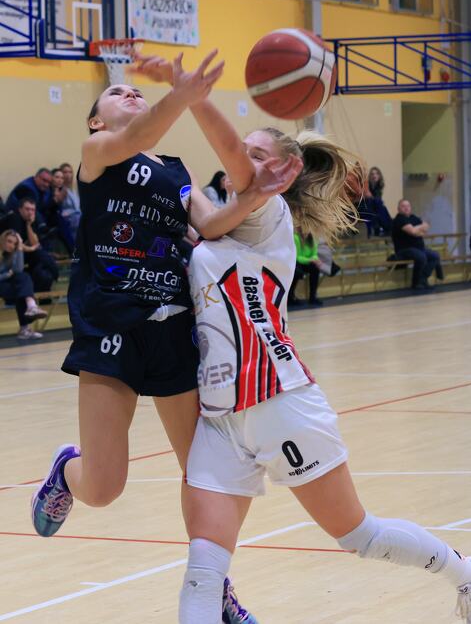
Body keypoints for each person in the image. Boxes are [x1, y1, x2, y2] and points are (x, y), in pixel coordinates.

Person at [155, 87, 471, 624]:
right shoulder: (218, 219)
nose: (243, 160)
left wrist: (195, 98)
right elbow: (189, 202)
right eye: (244, 151)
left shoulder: (269, 213)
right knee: (203, 572)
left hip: (279, 400)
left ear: (284, 174)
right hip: (220, 419)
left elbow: (226, 173)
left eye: (257, 154)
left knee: (358, 534)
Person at [29, 50, 298, 624]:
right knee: (104, 488)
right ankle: (66, 471)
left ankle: (212, 584)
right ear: (96, 121)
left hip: (174, 326)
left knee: (203, 473)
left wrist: (258, 194)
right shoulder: (98, 153)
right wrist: (185, 95)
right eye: (116, 93)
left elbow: (211, 223)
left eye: (136, 91)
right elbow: (142, 133)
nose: (130, 93)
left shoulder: (176, 170)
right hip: (111, 323)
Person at [0, 197, 59, 292]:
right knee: (39, 254)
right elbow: (15, 245)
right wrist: (31, 249)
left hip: (19, 255)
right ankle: (56, 272)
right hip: (5, 256)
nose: (30, 212)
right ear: (20, 210)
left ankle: (42, 292)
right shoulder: (14, 218)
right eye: (27, 209)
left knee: (42, 271)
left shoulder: (30, 220)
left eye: (33, 210)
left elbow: (34, 243)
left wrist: (28, 225)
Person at [0, 229, 48, 340]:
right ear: (2, 240)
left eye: (15, 243)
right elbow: (9, 274)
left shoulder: (11, 255)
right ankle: (26, 323)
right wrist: (7, 275)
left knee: (23, 280)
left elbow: (18, 270)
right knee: (22, 289)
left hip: (6, 286)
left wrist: (20, 247)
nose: (12, 245)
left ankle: (31, 307)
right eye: (9, 241)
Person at [391, 199, 444, 290]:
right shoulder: (399, 219)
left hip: (419, 248)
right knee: (421, 257)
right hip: (404, 249)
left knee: (435, 256)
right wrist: (418, 229)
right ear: (398, 209)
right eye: (403, 206)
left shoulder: (413, 217)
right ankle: (416, 282)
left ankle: (423, 278)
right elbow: (413, 231)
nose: (406, 208)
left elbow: (425, 228)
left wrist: (417, 230)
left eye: (408, 206)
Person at [288, 229, 323, 307]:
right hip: (297, 263)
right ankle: (290, 297)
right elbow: (297, 257)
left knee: (315, 269)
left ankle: (313, 297)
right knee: (296, 272)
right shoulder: (296, 238)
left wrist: (316, 260)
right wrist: (310, 260)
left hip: (307, 263)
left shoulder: (313, 238)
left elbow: (314, 254)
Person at [59, 162, 81, 241]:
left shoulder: (73, 190)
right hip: (68, 220)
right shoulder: (60, 190)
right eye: (65, 172)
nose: (68, 174)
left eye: (70, 172)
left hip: (77, 219)